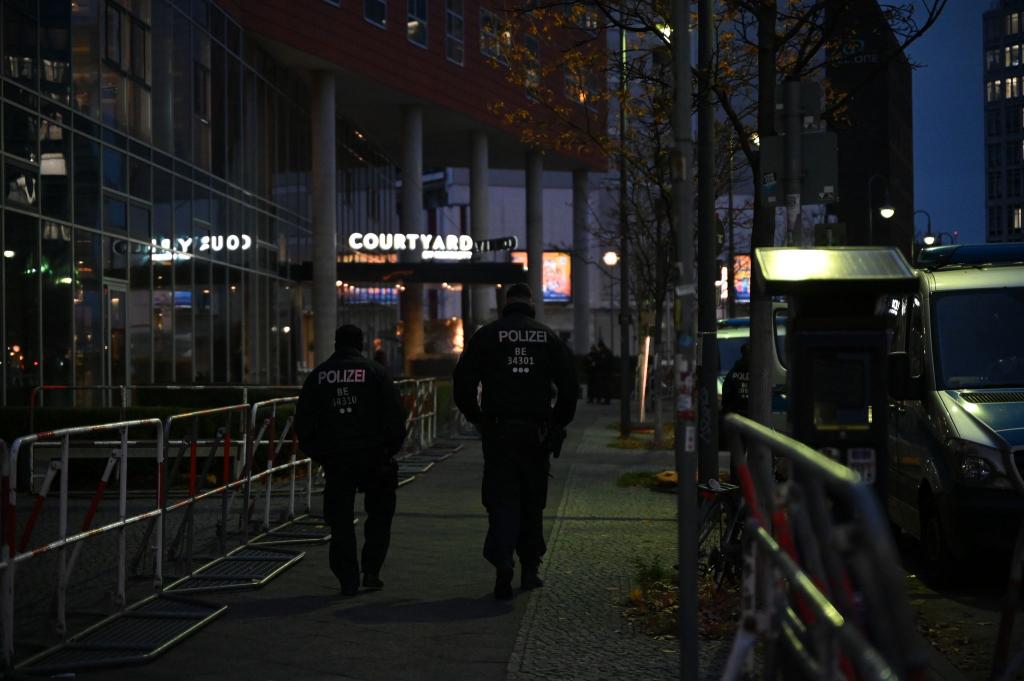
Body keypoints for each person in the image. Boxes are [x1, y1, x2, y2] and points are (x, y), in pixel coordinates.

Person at [453, 283, 579, 600]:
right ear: (531, 305)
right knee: (532, 501)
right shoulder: (548, 336)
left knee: (501, 499)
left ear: (506, 304)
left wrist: (477, 417)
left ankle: (502, 561)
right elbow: (569, 386)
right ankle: (530, 568)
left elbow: (463, 381)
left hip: (498, 431)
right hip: (536, 433)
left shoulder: (487, 335)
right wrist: (556, 424)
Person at [295, 324, 407, 596]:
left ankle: (347, 578)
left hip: (337, 460)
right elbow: (395, 416)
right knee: (380, 514)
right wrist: (388, 451)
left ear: (336, 343)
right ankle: (371, 570)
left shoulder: (319, 375)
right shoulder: (376, 373)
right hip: (375, 457)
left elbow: (304, 423)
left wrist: (321, 455)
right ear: (361, 344)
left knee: (340, 519)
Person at [721, 341, 751, 417]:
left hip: (736, 415)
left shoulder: (733, 372)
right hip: (749, 414)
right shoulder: (758, 374)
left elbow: (726, 395)